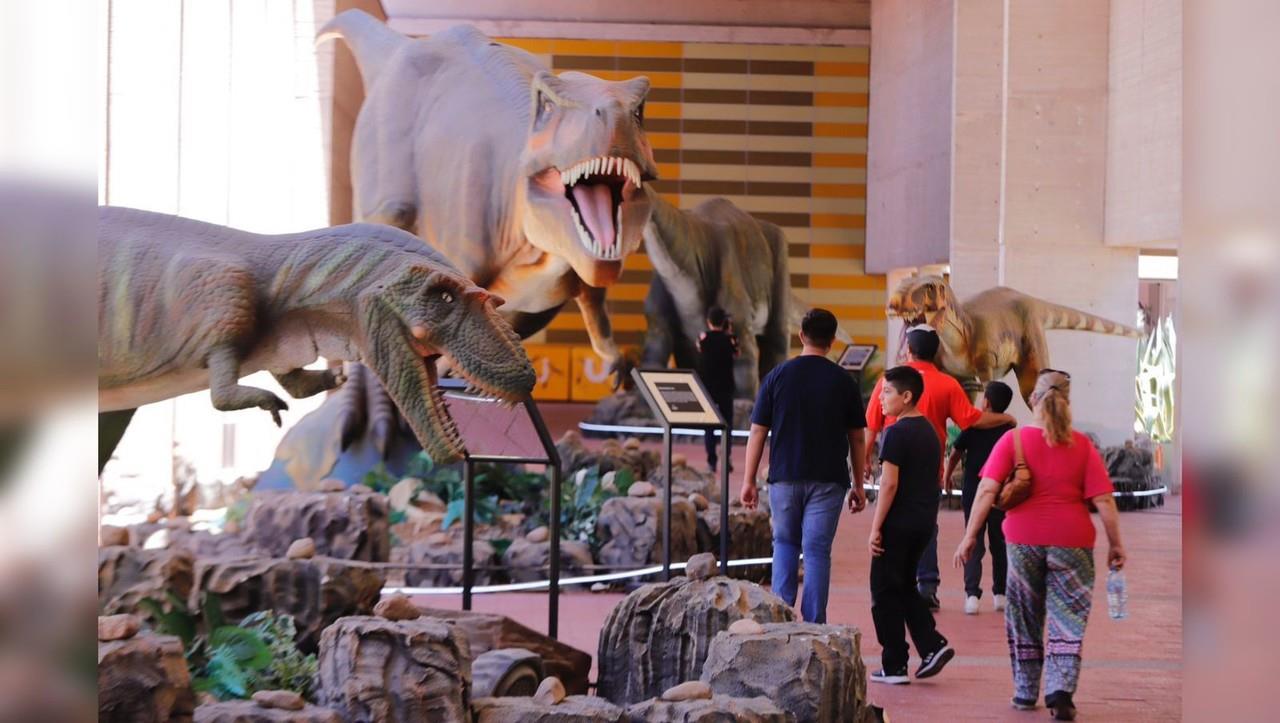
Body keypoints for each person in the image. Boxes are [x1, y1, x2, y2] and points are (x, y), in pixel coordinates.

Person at [953, 369, 1126, 721]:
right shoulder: (1082, 445)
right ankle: (1060, 691)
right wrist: (1115, 544)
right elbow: (1105, 501)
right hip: (1073, 544)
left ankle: (1025, 690)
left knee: (1024, 616)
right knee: (1068, 617)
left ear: (1033, 400)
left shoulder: (1013, 440)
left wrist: (970, 536)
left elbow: (986, 490)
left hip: (1022, 541)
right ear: (1068, 402)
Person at [864, 325, 1017, 610]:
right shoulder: (947, 384)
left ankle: (893, 585)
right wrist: (1005, 417)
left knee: (888, 522)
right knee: (927, 527)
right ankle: (927, 585)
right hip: (929, 470)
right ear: (937, 353)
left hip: (893, 466)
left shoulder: (890, 381)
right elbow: (972, 420)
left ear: (908, 350)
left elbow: (872, 424)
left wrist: (863, 460)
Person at [740, 308, 866, 623]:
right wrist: (859, 484)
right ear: (833, 341)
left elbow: (758, 431)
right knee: (817, 551)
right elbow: (857, 438)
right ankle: (814, 623)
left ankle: (780, 617)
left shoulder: (778, 376)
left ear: (801, 336)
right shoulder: (844, 381)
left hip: (784, 477)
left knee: (784, 543)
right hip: (829, 480)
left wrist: (749, 480)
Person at [867, 366, 955, 684]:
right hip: (922, 523)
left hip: (898, 524)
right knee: (903, 585)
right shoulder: (929, 431)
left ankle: (894, 664)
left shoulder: (897, 432)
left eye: (887, 392)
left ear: (906, 396)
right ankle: (931, 645)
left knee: (883, 591)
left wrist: (876, 527)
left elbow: (889, 484)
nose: (881, 398)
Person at [946, 380, 1016, 614]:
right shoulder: (1009, 430)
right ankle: (1000, 594)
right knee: (1000, 543)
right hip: (1000, 495)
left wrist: (946, 475)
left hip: (973, 494)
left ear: (985, 402)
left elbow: (955, 453)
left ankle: (972, 596)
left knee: (972, 540)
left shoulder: (973, 427)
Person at [697, 306, 739, 474]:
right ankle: (726, 458)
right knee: (727, 425)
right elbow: (737, 353)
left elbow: (700, 349)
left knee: (709, 426)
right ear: (724, 321)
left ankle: (711, 461)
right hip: (726, 388)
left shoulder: (703, 338)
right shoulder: (731, 339)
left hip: (707, 388)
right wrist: (729, 332)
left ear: (709, 321)